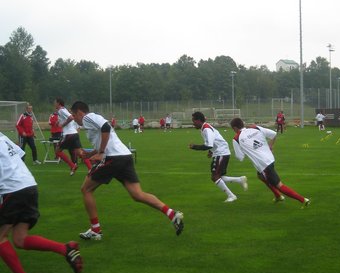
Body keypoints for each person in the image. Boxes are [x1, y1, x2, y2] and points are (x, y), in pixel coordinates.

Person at [70, 101, 184, 239]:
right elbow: (106, 134)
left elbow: (106, 127)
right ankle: (172, 214)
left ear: (80, 112)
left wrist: (100, 152)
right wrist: (91, 153)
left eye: (73, 114)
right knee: (137, 194)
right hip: (124, 156)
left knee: (86, 189)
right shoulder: (92, 120)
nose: (73, 118)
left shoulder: (88, 118)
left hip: (112, 158)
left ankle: (96, 230)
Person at [0, 132, 83, 273]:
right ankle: (65, 248)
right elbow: (19, 154)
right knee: (20, 239)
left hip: (13, 189)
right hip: (29, 185)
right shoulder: (2, 136)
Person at [230, 117, 310, 207]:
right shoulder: (255, 128)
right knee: (260, 176)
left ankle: (303, 200)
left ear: (235, 128)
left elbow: (240, 157)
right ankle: (278, 196)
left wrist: (244, 149)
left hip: (263, 165)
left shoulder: (236, 139)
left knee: (279, 185)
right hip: (270, 159)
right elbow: (274, 134)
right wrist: (270, 146)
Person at [189, 111, 248, 203]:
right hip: (220, 152)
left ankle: (231, 195)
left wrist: (194, 147)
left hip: (221, 153)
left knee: (215, 177)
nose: (193, 123)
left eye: (193, 121)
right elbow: (212, 142)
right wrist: (210, 151)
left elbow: (209, 145)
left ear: (199, 120)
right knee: (219, 176)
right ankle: (239, 180)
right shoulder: (205, 127)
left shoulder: (206, 129)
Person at [54, 98, 92, 176]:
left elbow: (71, 117)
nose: (54, 104)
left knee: (58, 151)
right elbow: (68, 117)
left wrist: (63, 125)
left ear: (58, 103)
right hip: (74, 134)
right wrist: (59, 122)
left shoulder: (61, 110)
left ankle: (73, 166)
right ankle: (90, 169)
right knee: (80, 153)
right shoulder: (62, 110)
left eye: (55, 102)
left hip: (68, 134)